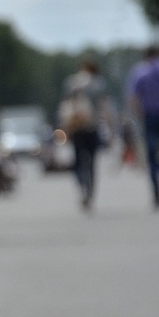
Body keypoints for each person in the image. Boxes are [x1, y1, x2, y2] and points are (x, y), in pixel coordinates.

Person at [60, 58, 112, 212]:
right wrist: (110, 125)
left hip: (76, 127)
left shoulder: (71, 82)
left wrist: (65, 126)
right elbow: (104, 106)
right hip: (92, 126)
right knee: (92, 162)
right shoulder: (99, 84)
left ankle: (82, 185)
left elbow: (65, 106)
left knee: (77, 161)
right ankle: (89, 191)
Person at [125, 44, 159, 211]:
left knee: (152, 155)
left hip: (149, 117)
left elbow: (133, 98)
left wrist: (139, 115)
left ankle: (156, 193)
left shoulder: (140, 72)